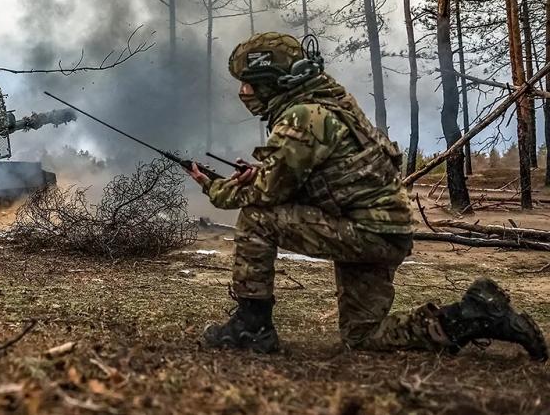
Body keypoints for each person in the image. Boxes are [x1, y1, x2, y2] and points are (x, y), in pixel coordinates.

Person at [186, 32, 548, 361]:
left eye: (251, 83)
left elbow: (266, 194)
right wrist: (264, 175)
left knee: (257, 218)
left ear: (277, 82)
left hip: (364, 232)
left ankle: (253, 328)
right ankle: (474, 317)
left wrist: (214, 186)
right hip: (381, 231)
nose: (243, 92)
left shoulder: (304, 116)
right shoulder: (331, 104)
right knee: (364, 335)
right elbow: (313, 177)